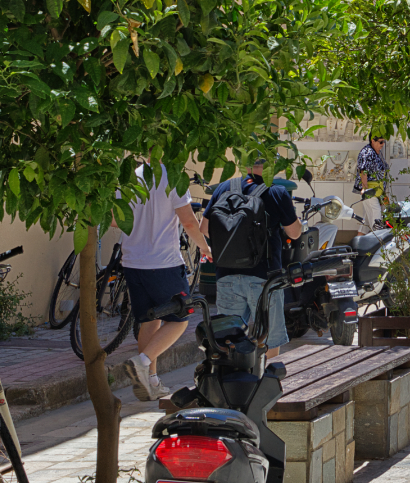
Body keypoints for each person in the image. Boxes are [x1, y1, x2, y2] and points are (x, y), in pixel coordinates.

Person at [120, 163, 210, 399]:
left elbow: (114, 220)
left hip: (132, 261)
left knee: (149, 320)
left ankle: (150, 382)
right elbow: (189, 222)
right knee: (180, 318)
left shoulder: (130, 175)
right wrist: (204, 247)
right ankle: (142, 362)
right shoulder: (172, 177)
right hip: (163, 263)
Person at [206, 161, 301, 358]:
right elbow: (294, 232)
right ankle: (267, 382)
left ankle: (231, 384)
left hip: (226, 275)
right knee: (269, 341)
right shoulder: (277, 192)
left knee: (227, 340)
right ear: (270, 165)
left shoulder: (224, 188)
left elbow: (203, 229)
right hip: (264, 278)